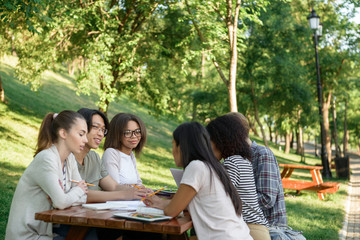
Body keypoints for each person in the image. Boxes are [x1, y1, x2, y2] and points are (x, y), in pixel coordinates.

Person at [143, 122, 253, 240]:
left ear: (182, 147)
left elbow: (171, 211)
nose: (172, 151)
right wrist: (158, 202)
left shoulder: (196, 167)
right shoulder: (214, 167)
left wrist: (160, 203)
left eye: (173, 144)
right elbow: (182, 206)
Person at [6, 110, 88, 240]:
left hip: (49, 230)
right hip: (30, 236)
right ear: (63, 133)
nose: (86, 140)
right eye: (81, 134)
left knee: (91, 234)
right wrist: (75, 191)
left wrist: (67, 197)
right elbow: (64, 200)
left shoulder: (69, 158)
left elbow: (83, 197)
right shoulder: (46, 158)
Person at [226, 112, 305, 240]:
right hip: (246, 224)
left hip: (270, 228)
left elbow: (267, 199)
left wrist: (229, 201)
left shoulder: (262, 154)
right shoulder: (236, 158)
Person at [206, 115, 270, 240]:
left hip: (250, 230)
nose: (208, 147)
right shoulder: (242, 160)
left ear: (221, 140)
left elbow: (216, 198)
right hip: (256, 229)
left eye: (210, 140)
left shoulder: (232, 163)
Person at [75, 108, 148, 203]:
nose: (101, 134)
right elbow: (78, 194)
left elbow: (113, 186)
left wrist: (139, 191)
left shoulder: (94, 157)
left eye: (103, 130)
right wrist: (125, 194)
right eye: (96, 127)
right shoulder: (67, 157)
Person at [102, 113, 146, 186]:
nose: (134, 136)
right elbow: (115, 187)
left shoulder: (130, 155)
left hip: (133, 197)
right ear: (117, 134)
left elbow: (138, 183)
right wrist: (135, 189)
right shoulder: (111, 153)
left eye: (138, 132)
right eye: (128, 133)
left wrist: (145, 190)